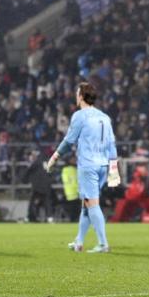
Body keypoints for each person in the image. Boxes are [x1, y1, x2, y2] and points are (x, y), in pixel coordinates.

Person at [45, 82, 118, 253]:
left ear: (81, 96)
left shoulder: (80, 116)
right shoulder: (105, 117)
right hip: (103, 165)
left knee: (92, 203)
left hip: (88, 165)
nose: (75, 96)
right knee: (86, 203)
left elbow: (69, 141)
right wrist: (114, 169)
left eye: (77, 93)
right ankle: (78, 241)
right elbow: (112, 145)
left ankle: (103, 243)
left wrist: (54, 156)